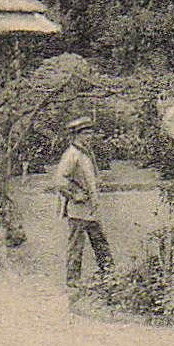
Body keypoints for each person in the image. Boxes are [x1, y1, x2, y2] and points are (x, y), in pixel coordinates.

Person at [53, 116, 113, 286]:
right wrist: (75, 195)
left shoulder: (85, 153)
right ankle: (72, 281)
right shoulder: (71, 154)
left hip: (90, 208)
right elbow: (60, 181)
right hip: (78, 209)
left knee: (100, 243)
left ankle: (109, 275)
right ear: (76, 135)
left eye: (90, 133)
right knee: (76, 245)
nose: (89, 137)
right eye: (85, 133)